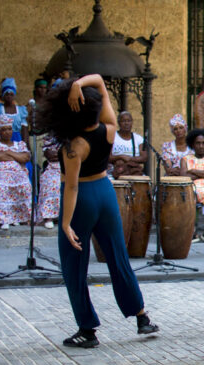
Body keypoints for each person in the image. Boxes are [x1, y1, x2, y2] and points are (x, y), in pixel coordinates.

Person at [35, 74, 159, 348]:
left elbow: (71, 189)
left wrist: (65, 224)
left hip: (84, 199)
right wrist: (78, 85)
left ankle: (87, 330)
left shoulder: (73, 147)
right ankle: (141, 316)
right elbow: (101, 82)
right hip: (106, 192)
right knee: (118, 256)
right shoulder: (110, 128)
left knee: (73, 265)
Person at [0, 114, 31, 230]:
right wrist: (15, 155)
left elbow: (25, 158)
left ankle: (17, 217)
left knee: (25, 185)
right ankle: (3, 219)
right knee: (2, 185)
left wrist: (6, 153)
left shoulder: (20, 144)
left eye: (9, 129)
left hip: (17, 173)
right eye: (3, 129)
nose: (7, 132)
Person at [0, 78, 29, 148]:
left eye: (11, 94)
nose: (9, 97)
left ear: (14, 95)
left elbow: (24, 130)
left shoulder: (21, 110)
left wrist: (24, 144)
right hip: (1, 141)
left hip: (17, 141)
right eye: (7, 94)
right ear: (3, 95)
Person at [109, 111, 147, 178]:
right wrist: (120, 157)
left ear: (132, 122)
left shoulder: (138, 138)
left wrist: (129, 159)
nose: (126, 123)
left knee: (144, 181)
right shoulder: (112, 137)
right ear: (118, 123)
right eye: (123, 121)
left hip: (132, 171)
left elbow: (144, 158)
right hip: (115, 170)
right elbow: (108, 157)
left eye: (128, 121)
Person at [36, 134, 62, 228]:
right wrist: (63, 154)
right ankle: (48, 217)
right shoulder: (49, 139)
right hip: (53, 169)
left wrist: (59, 154)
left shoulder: (72, 138)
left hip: (69, 168)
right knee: (51, 183)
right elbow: (50, 156)